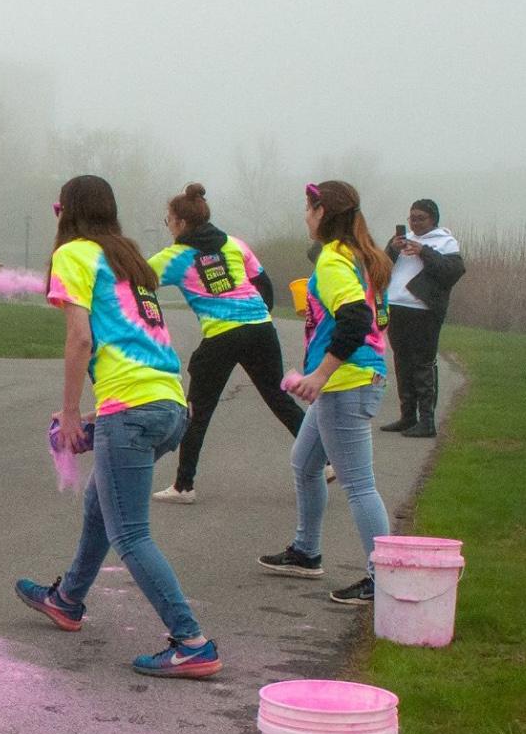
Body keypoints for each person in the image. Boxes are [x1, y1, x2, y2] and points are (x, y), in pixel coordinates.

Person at [14, 175, 222, 679]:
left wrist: (68, 410)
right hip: (169, 406)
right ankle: (67, 600)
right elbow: (139, 343)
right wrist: (94, 413)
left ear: (66, 213)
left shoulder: (74, 256)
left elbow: (81, 341)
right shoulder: (130, 258)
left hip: (132, 410)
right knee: (100, 504)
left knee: (130, 534)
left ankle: (191, 641)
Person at [259, 180, 393, 605]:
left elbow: (355, 319)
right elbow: (375, 319)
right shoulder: (360, 256)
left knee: (358, 484)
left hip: (347, 384)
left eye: (308, 208)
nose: (304, 215)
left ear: (322, 213)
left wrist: (320, 375)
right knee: (304, 463)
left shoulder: (335, 259)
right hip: (351, 379)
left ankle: (383, 577)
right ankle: (306, 552)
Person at [147, 184, 305, 504]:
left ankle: (183, 486)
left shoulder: (176, 257)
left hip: (221, 335)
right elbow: (263, 283)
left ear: (180, 223)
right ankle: (326, 460)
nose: (168, 227)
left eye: (168, 221)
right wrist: (258, 314)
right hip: (260, 326)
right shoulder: (234, 244)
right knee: (278, 398)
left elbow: (134, 280)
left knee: (197, 410)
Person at [382, 199, 464, 438]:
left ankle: (427, 421)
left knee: (423, 363)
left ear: (433, 220)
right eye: (412, 218)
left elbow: (451, 272)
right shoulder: (402, 240)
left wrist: (423, 251)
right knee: (402, 361)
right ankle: (407, 417)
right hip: (397, 306)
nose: (415, 223)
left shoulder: (445, 242)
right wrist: (392, 250)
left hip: (424, 310)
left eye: (420, 218)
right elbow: (379, 268)